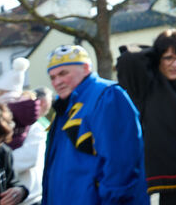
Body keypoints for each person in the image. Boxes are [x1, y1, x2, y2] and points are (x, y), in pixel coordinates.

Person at [41, 45, 148, 205]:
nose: (57, 82)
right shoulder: (64, 107)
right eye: (53, 77)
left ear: (85, 68)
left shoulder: (107, 96)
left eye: (63, 73)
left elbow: (121, 164)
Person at [117, 31, 176, 205]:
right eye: (168, 58)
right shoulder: (147, 86)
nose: (175, 64)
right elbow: (129, 60)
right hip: (171, 181)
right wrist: (158, 50)